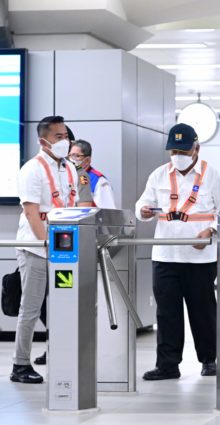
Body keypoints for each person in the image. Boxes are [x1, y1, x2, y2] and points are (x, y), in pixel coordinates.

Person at [135, 123, 220, 380]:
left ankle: (209, 360)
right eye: (174, 150)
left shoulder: (211, 175)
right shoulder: (159, 175)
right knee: (167, 312)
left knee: (202, 311)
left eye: (183, 151)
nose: (178, 156)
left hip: (200, 257)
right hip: (165, 256)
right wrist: (143, 211)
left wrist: (210, 232)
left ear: (197, 148)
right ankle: (168, 365)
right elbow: (143, 204)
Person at [12, 116, 79, 383]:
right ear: (43, 141)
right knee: (30, 307)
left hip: (65, 249)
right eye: (58, 137)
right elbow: (30, 212)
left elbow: (72, 206)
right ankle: (20, 365)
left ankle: (63, 356)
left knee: (65, 305)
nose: (65, 141)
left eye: (66, 136)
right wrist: (45, 245)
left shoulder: (70, 168)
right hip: (37, 249)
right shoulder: (32, 169)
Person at [69, 139, 117, 208]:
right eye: (70, 155)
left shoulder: (99, 180)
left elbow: (107, 211)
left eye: (76, 156)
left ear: (87, 160)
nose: (71, 159)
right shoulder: (68, 176)